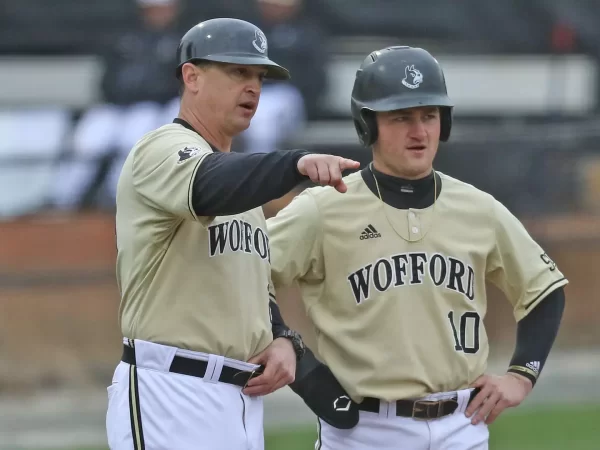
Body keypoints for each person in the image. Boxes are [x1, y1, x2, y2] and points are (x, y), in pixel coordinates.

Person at [267, 46, 568, 449]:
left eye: (429, 116)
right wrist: (288, 345)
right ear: (368, 124)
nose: (419, 131)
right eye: (401, 117)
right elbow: (244, 275)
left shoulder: (478, 208)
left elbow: (544, 291)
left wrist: (521, 374)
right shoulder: (324, 207)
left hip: (462, 426)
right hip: (365, 431)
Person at [105, 17, 359, 450]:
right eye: (238, 71)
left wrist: (282, 339)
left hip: (239, 400)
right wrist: (293, 164)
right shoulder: (160, 148)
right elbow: (210, 183)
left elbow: (250, 286)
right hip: (169, 392)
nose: (254, 87)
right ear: (192, 76)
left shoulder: (245, 190)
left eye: (259, 75)